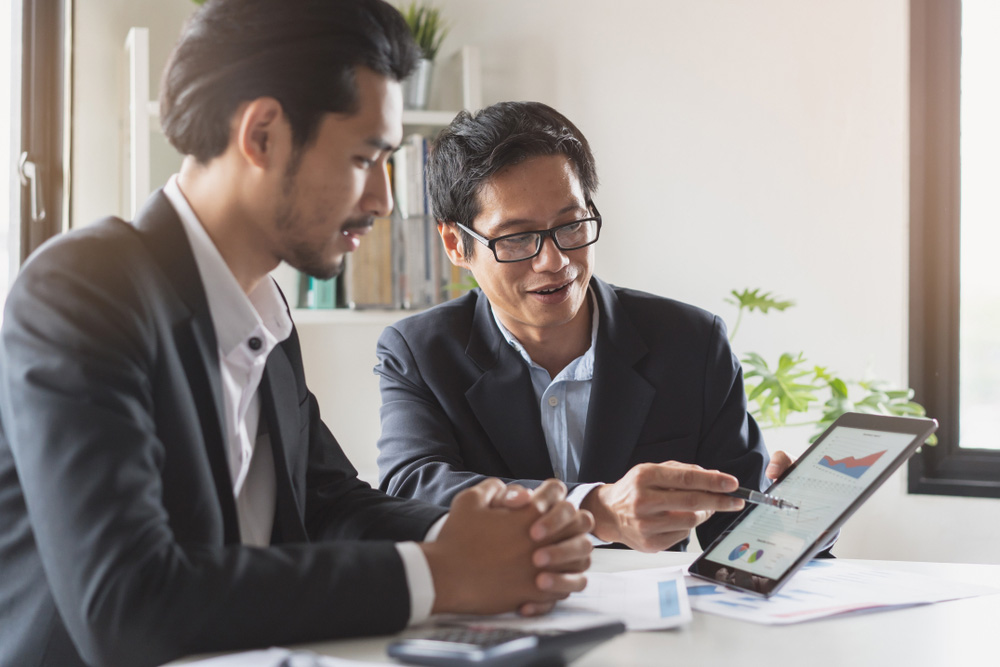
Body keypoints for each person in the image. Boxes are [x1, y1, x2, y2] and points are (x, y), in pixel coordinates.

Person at [0, 4, 594, 667]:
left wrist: (486, 533)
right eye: (366, 158)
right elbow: (127, 602)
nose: (382, 201)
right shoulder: (84, 291)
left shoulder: (264, 314)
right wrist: (440, 573)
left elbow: (326, 499)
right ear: (262, 134)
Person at [375, 101, 794, 553]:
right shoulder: (419, 352)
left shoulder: (691, 344)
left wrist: (802, 513)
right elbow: (412, 489)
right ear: (457, 244)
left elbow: (747, 542)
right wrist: (594, 509)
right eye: (517, 238)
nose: (554, 261)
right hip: (504, 614)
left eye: (571, 225)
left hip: (652, 619)